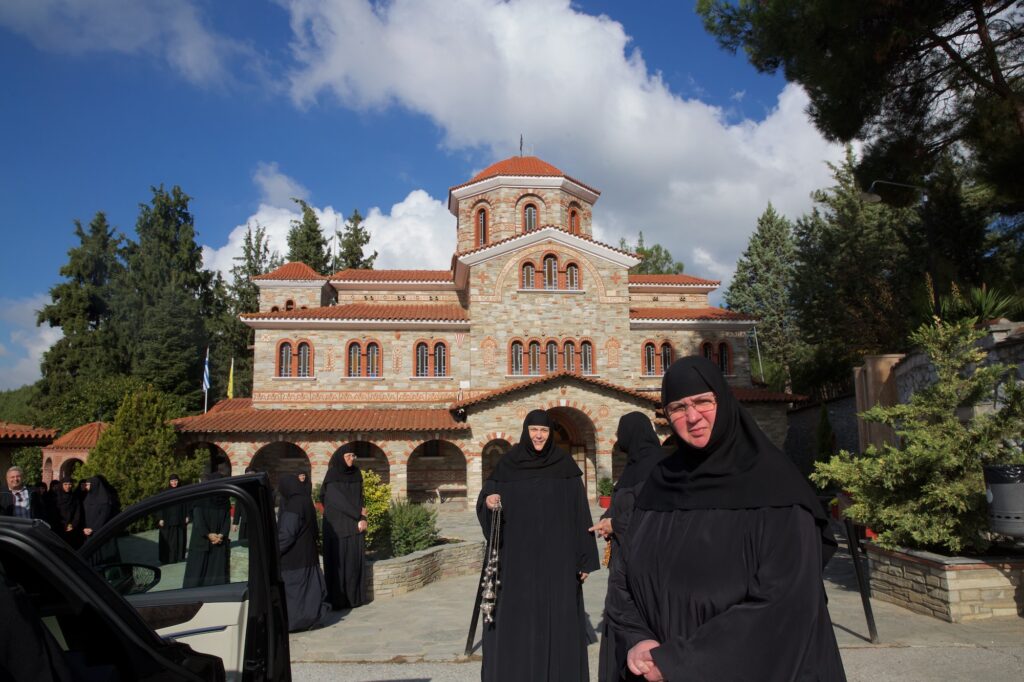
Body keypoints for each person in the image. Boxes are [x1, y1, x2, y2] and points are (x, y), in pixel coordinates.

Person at [608, 357, 846, 681]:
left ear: (723, 399)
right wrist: (637, 639)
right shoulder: (658, 484)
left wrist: (678, 662)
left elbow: (786, 603)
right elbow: (623, 577)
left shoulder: (776, 486)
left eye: (703, 401)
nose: (692, 417)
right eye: (678, 408)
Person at [476, 409, 600, 682]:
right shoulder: (508, 464)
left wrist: (584, 559)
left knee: (557, 618)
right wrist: (489, 501)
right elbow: (488, 495)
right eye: (534, 430)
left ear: (550, 433)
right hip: (516, 561)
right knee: (516, 620)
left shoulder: (565, 467)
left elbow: (581, 513)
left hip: (558, 560)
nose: (539, 435)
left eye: (543, 430)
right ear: (525, 431)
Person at [591, 412, 666, 682]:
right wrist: (605, 521)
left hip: (645, 567)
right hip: (624, 563)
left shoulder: (655, 468)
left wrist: (616, 526)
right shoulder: (634, 466)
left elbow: (653, 518)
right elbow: (622, 506)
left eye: (622, 432)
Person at [277, 473, 329, 631]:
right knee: (309, 592)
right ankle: (313, 619)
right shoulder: (306, 500)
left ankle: (296, 623)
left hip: (294, 558)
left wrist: (274, 550)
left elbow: (287, 534)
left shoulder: (294, 504)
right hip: (308, 554)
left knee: (296, 593)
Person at [320, 450, 367, 610]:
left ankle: (355, 598)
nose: (351, 459)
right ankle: (339, 600)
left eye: (354, 455)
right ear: (340, 458)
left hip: (354, 526)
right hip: (337, 526)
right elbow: (334, 499)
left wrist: (363, 518)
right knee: (338, 564)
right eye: (348, 456)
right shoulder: (332, 475)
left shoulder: (357, 473)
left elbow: (361, 498)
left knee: (353, 563)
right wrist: (357, 515)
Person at [183, 473, 231, 588]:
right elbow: (198, 520)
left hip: (218, 543)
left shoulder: (224, 500)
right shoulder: (201, 498)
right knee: (197, 576)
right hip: (202, 542)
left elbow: (227, 520)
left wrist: (221, 535)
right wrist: (208, 534)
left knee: (216, 576)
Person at [157, 474, 189, 564]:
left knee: (179, 539)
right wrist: (160, 518)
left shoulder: (182, 491)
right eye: (172, 481)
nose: (174, 483)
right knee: (168, 540)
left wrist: (187, 516)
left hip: (180, 519)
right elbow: (159, 506)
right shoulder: (165, 492)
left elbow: (187, 504)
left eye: (175, 481)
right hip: (167, 520)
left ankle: (178, 557)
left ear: (178, 481)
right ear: (169, 482)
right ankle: (168, 559)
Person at [52, 477, 83, 548]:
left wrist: (73, 524)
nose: (68, 486)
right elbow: (53, 513)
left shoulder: (74, 497)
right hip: (58, 527)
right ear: (61, 485)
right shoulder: (55, 497)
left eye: (70, 484)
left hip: (70, 528)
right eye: (65, 484)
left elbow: (77, 513)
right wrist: (61, 524)